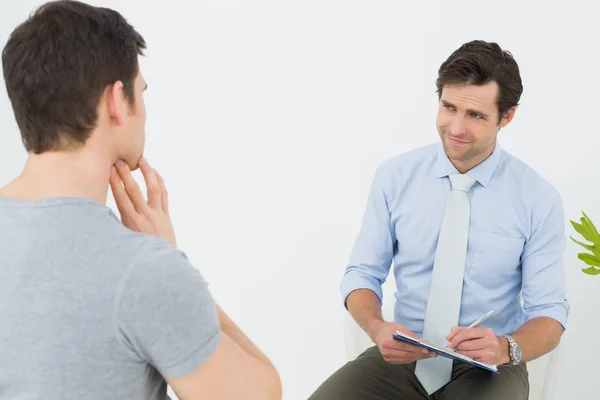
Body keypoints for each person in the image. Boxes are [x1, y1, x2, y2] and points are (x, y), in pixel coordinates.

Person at [0, 1, 281, 399]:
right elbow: (262, 394)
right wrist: (168, 257)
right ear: (116, 100)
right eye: (140, 92)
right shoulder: (143, 270)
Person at [309, 40, 569, 400]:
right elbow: (361, 274)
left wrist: (505, 347)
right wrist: (378, 327)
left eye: (475, 115)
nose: (456, 127)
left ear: (506, 117)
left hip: (488, 366)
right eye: (449, 107)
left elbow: (550, 315)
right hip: (404, 358)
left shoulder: (537, 198)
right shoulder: (395, 178)